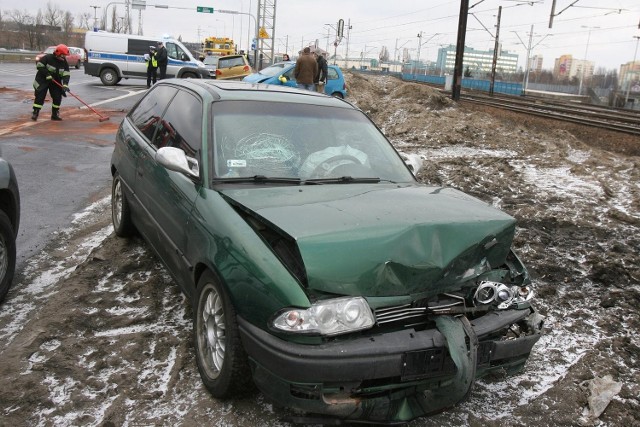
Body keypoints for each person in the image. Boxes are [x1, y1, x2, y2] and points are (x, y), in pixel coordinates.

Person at [31, 44, 71, 121]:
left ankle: (55, 114)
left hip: (55, 81)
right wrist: (47, 74)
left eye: (65, 55)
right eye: (63, 55)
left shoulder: (64, 62)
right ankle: (35, 112)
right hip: (43, 79)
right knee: (40, 96)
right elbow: (39, 66)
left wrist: (65, 84)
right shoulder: (48, 58)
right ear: (58, 53)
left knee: (57, 97)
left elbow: (66, 74)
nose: (64, 57)